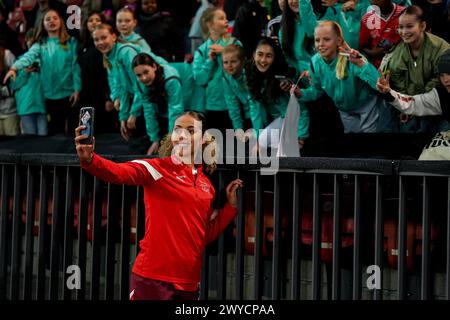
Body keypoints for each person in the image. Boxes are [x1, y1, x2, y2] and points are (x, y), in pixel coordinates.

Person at [75, 111, 243, 300]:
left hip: (189, 283)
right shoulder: (156, 168)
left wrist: (230, 207)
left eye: (190, 130)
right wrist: (90, 160)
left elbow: (202, 236)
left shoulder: (207, 186)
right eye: (177, 129)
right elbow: (118, 172)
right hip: (152, 280)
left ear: (204, 139)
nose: (182, 135)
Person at [91, 23, 166, 154]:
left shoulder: (126, 52)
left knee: (147, 144)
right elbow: (122, 87)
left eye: (104, 37)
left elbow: (141, 84)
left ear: (114, 37)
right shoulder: (108, 55)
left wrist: (133, 114)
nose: (100, 42)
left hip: (156, 94)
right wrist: (123, 116)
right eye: (96, 39)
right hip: (142, 97)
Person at [4, 9, 81, 135]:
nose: (52, 21)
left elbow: (75, 67)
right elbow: (28, 56)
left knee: (74, 132)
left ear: (61, 21)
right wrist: (14, 68)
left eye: (55, 18)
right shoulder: (40, 44)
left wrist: (77, 89)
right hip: (50, 97)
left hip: (70, 94)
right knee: (56, 134)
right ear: (43, 24)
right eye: (48, 19)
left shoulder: (71, 42)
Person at [298, 21, 384, 133]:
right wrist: (302, 93)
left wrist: (361, 63)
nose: (320, 44)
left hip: (366, 106)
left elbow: (378, 83)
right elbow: (317, 90)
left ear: (338, 41)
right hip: (345, 111)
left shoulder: (351, 58)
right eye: (317, 40)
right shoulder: (314, 63)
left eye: (327, 39)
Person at [380, 5, 450, 133]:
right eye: (400, 27)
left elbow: (441, 80)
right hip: (407, 99)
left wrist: (418, 100)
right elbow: (397, 82)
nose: (404, 32)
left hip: (436, 100)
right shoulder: (395, 55)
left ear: (423, 26)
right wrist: (407, 106)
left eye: (409, 26)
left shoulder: (442, 49)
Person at [246, 37, 309, 150]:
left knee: (266, 143)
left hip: (290, 121)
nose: (263, 60)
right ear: (253, 55)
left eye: (268, 56)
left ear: (274, 58)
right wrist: (258, 137)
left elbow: (301, 109)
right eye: (260, 54)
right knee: (263, 144)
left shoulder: (283, 79)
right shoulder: (251, 74)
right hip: (274, 122)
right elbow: (255, 110)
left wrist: (301, 136)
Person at [192, 7, 240, 132]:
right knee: (214, 149)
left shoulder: (235, 44)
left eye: (225, 18)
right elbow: (199, 80)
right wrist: (210, 61)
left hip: (236, 104)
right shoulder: (202, 50)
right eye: (221, 18)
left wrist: (225, 52)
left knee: (235, 148)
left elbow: (243, 70)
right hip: (212, 107)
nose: (226, 21)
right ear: (210, 24)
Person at [131, 53, 184, 155]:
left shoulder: (171, 79)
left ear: (154, 67)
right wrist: (155, 139)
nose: (144, 78)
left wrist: (171, 141)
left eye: (146, 72)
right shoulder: (141, 83)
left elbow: (175, 110)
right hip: (162, 97)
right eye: (139, 75)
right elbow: (148, 111)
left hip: (189, 90)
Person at [377, 49, 450, 121]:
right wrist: (389, 93)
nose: (445, 80)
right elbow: (413, 103)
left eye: (449, 74)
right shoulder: (439, 96)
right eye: (441, 75)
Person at [78, 11, 117, 133]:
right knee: (88, 132)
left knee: (106, 132)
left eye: (97, 20)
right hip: (87, 95)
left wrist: (109, 97)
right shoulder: (82, 46)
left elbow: (111, 75)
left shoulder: (107, 47)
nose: (94, 22)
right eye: (91, 20)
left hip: (104, 96)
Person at [9, 29, 47, 136]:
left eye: (36, 42)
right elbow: (14, 85)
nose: (34, 44)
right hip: (26, 108)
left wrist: (41, 70)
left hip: (42, 106)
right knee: (30, 142)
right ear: (26, 41)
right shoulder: (19, 63)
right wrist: (25, 72)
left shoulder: (45, 62)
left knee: (44, 141)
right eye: (31, 41)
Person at [359, 0, 405, 69]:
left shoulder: (404, 13)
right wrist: (372, 53)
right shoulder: (367, 19)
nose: (374, 2)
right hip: (380, 69)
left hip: (403, 66)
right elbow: (362, 46)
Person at [222, 44, 252, 131]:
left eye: (234, 61)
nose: (229, 65)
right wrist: (238, 129)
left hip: (262, 115)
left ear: (243, 61)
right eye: (225, 62)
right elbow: (232, 106)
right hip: (247, 115)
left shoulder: (250, 75)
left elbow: (257, 105)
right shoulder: (227, 79)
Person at [0, 38, 19, 136]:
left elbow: (17, 80)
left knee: (12, 145)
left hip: (9, 110)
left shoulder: (6, 54)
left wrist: (5, 91)